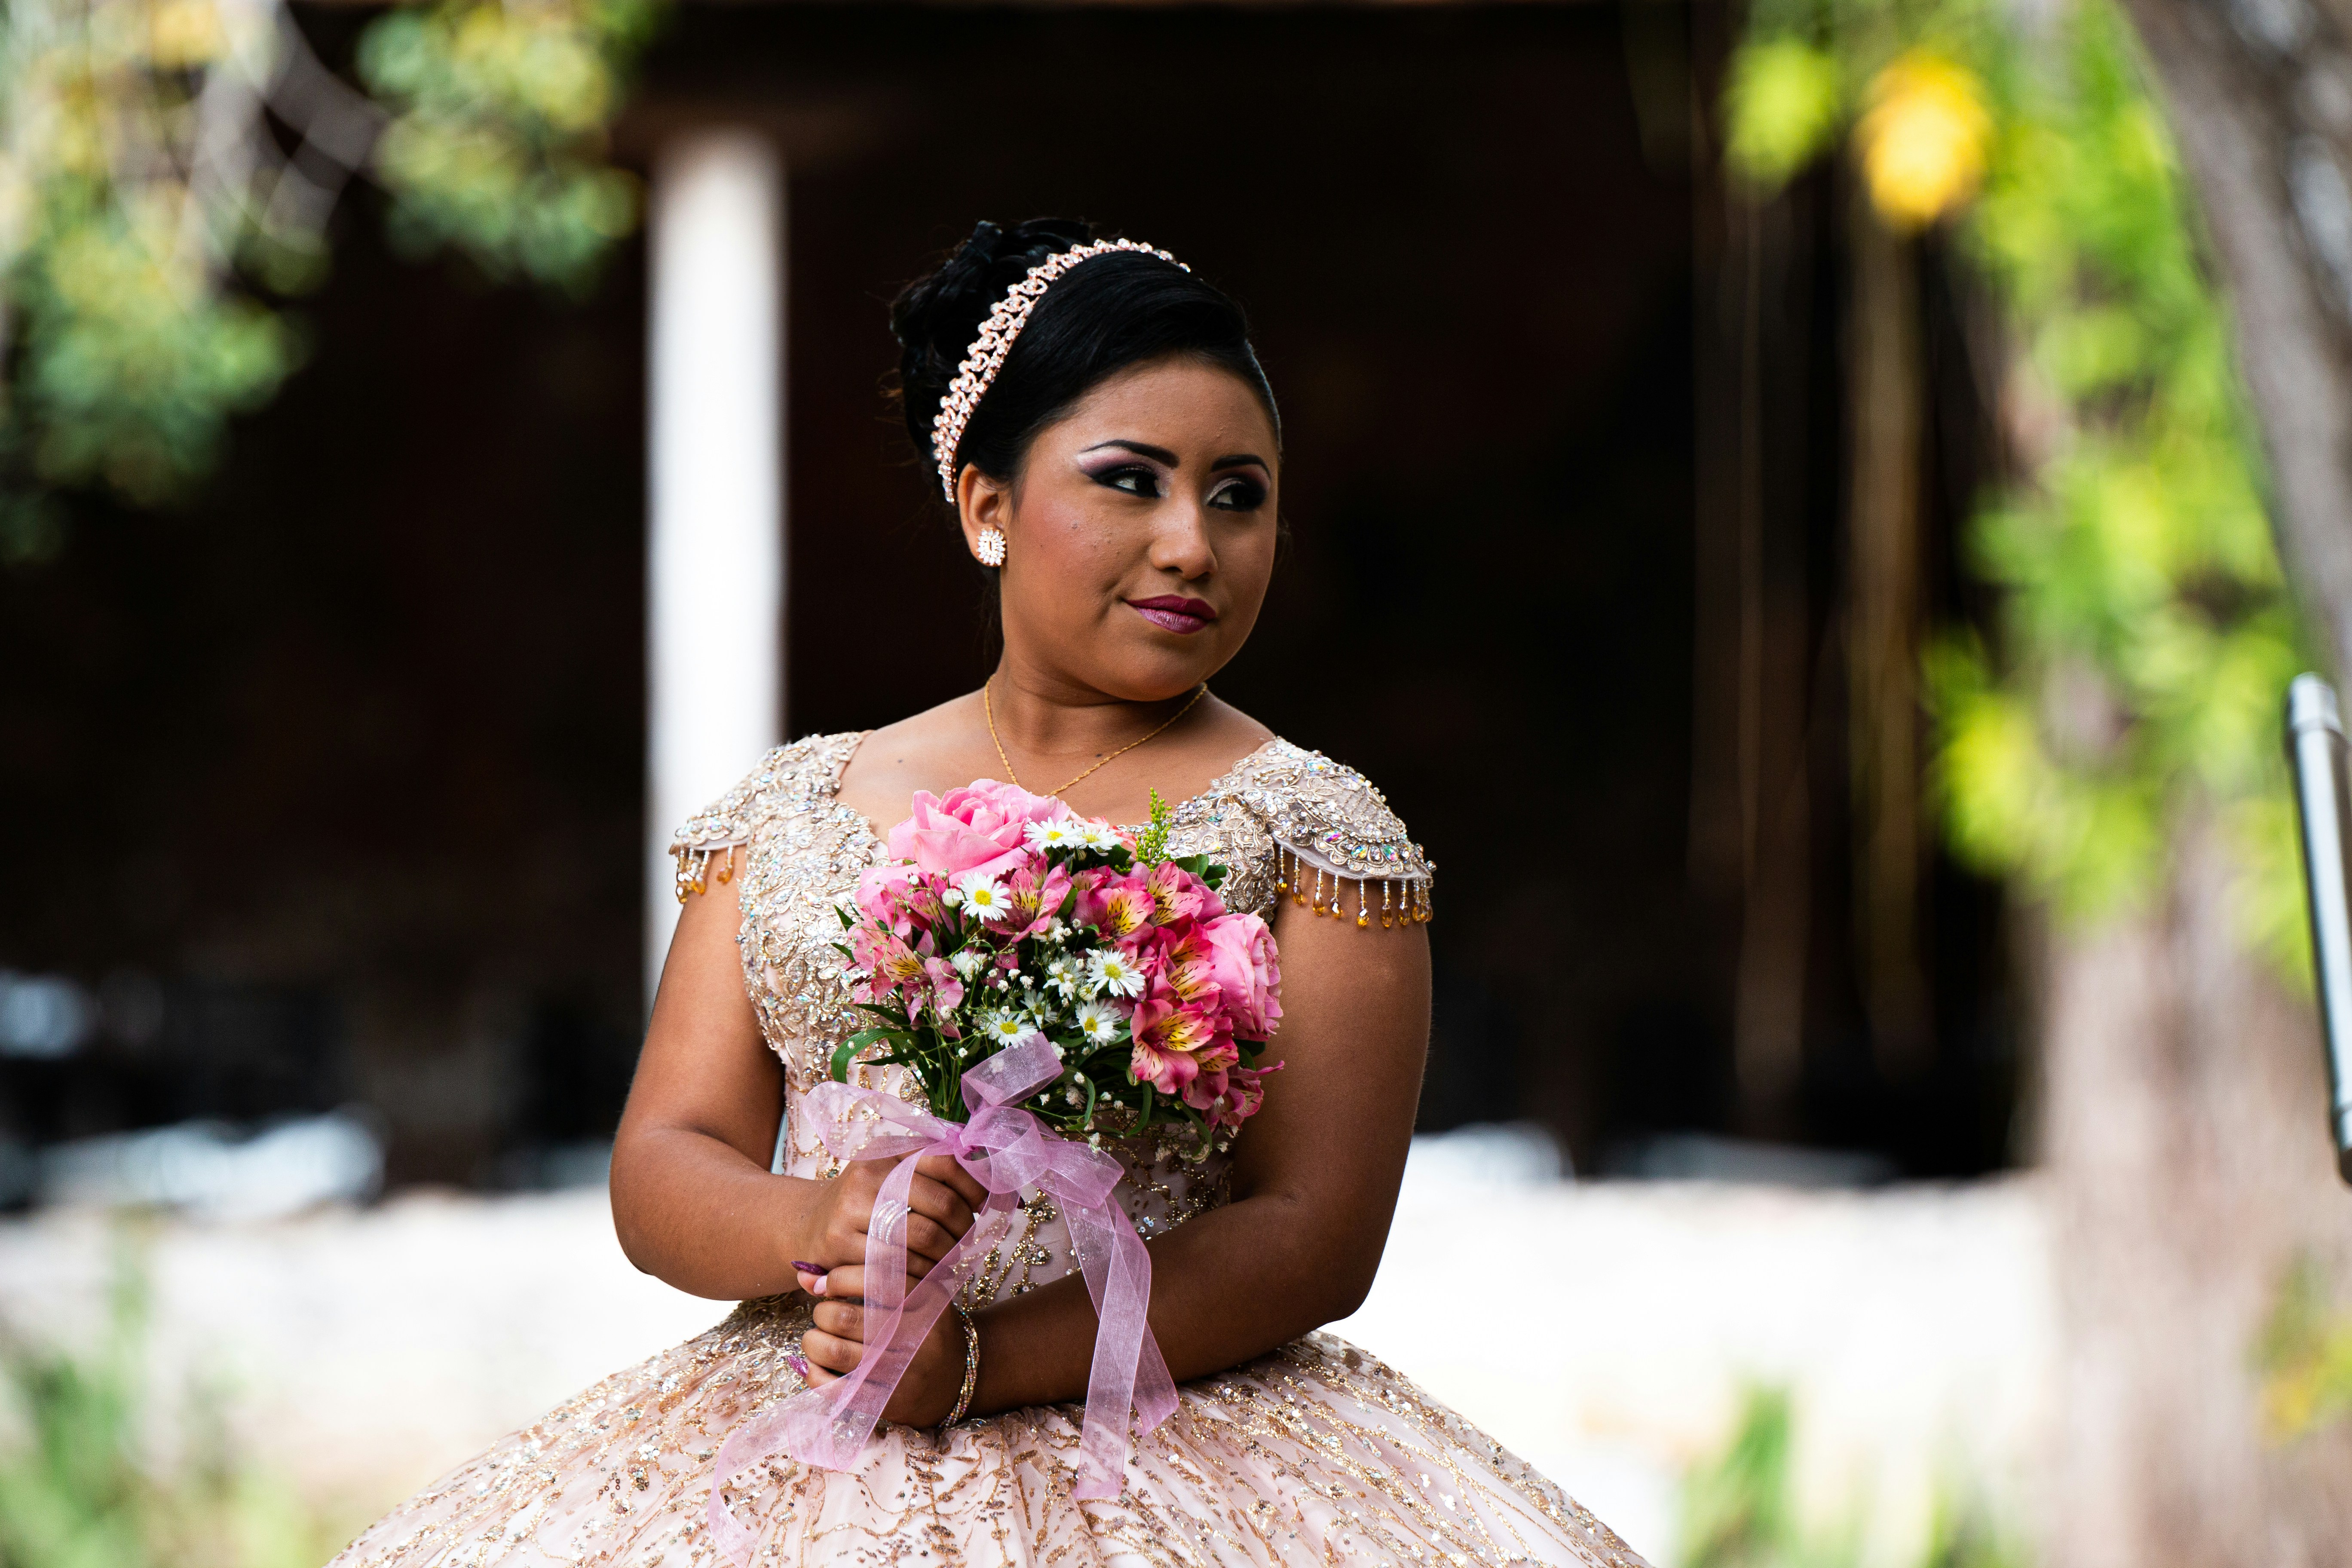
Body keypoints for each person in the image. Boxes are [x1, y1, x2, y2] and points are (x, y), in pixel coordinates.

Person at [331, 218, 1648, 1568]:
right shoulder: (791, 811)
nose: (1193, 542)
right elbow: (662, 1162)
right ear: (986, 507)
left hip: (1169, 1434)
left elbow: (1315, 1232)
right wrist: (818, 1220)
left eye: (1240, 494)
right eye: (1130, 482)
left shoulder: (1321, 831)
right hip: (812, 1416)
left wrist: (976, 1366)